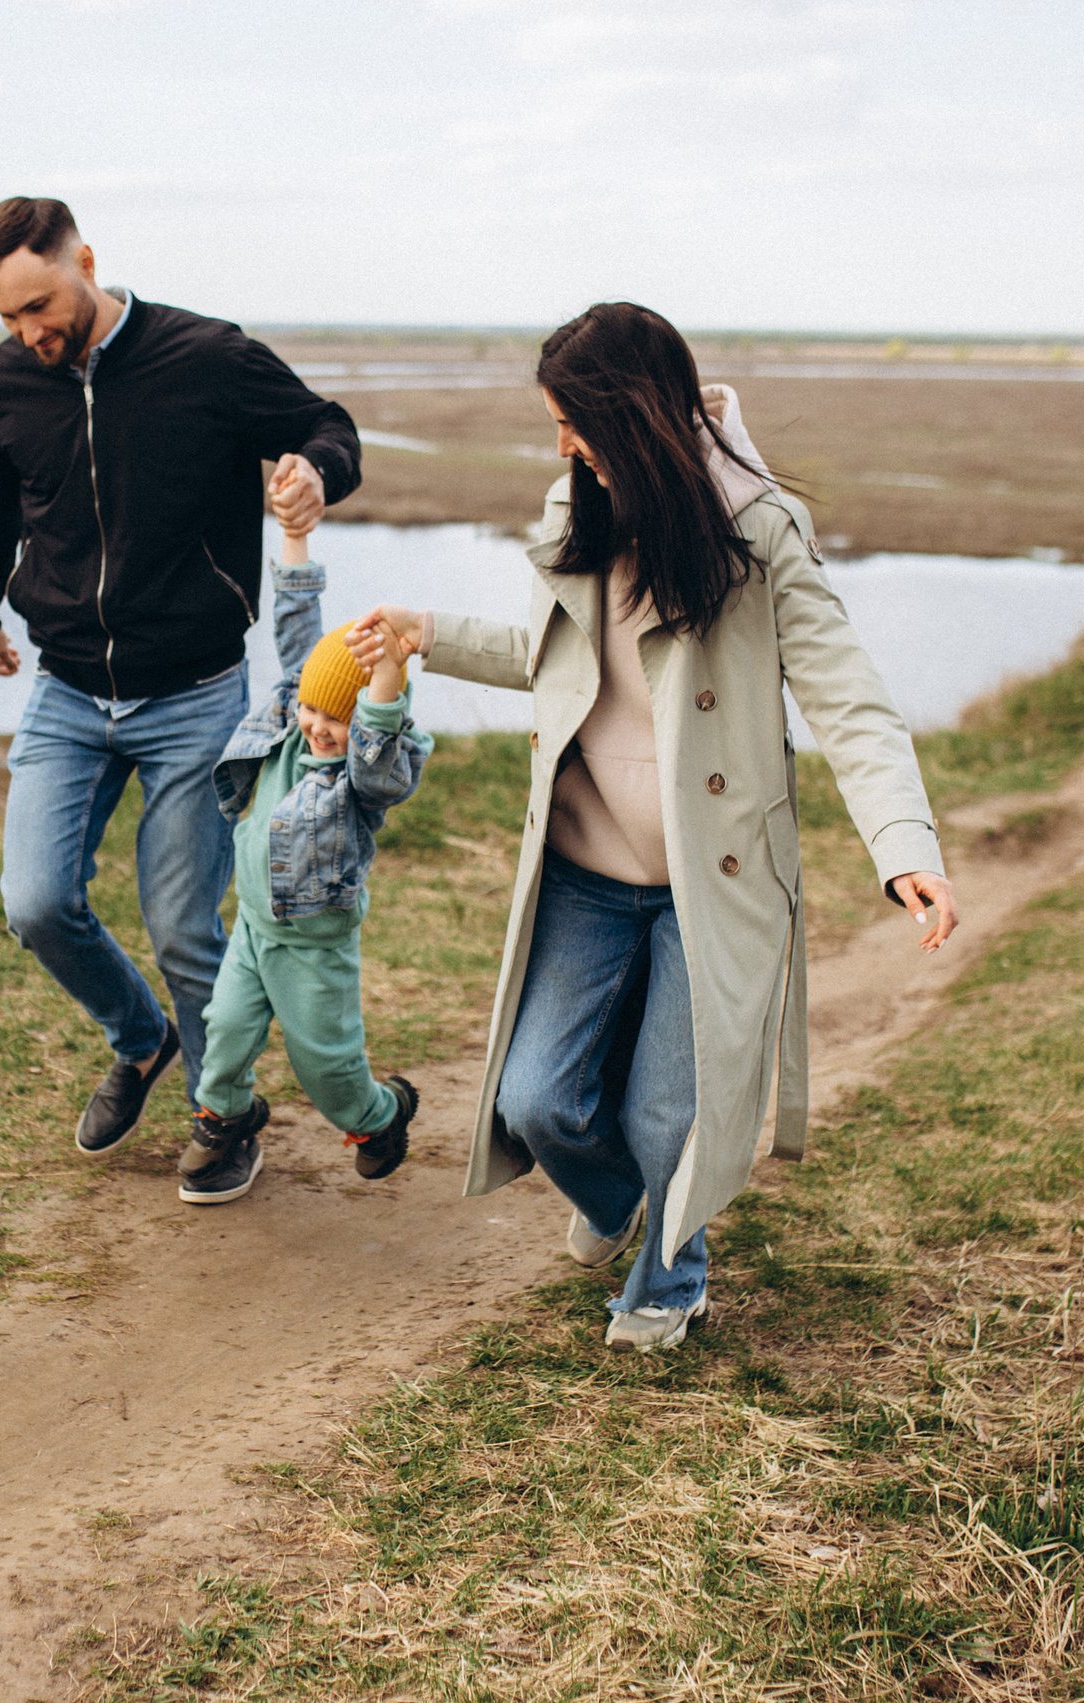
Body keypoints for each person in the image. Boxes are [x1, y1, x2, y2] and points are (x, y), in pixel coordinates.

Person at [347, 302, 959, 1352]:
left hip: (709, 882)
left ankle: (671, 1277)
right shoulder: (577, 504)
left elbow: (849, 700)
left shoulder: (759, 531)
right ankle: (625, 1199)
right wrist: (427, 633)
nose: (561, 447)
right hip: (585, 871)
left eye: (571, 423)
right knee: (537, 1101)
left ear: (628, 415)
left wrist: (905, 847)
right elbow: (553, 659)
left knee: (666, 1115)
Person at [0, 196, 363, 1155]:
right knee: (35, 903)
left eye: (41, 304)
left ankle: (225, 1114)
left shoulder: (206, 357)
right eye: (8, 316)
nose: (29, 332)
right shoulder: (1, 384)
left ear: (86, 262)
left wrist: (316, 469)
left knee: (183, 927)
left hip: (195, 694)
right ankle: (143, 1039)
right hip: (66, 689)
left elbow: (326, 424)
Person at [180, 502, 432, 1205]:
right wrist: (295, 536)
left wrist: (387, 672)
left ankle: (379, 1116)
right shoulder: (293, 720)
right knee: (224, 1028)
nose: (319, 728)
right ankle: (224, 1115)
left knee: (327, 1069)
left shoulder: (362, 780)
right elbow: (297, 625)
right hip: (254, 928)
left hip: (314, 948)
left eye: (337, 720)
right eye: (312, 711)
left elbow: (376, 738)